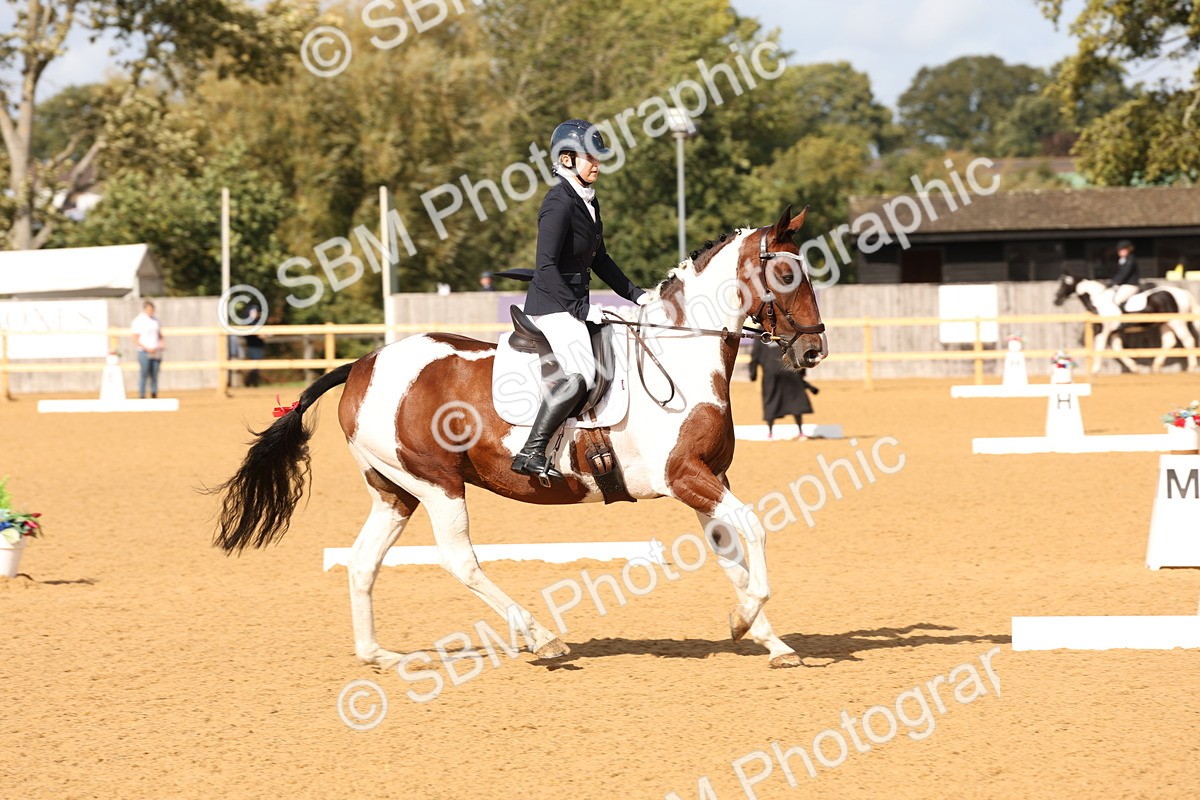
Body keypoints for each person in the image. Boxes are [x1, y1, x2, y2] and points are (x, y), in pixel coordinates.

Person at [511, 119, 650, 482]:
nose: (597, 164)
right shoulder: (558, 202)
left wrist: (637, 294)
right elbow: (546, 266)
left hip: (571, 304)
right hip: (552, 307)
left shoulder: (587, 200)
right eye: (591, 158)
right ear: (568, 159)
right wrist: (580, 309)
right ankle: (532, 451)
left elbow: (600, 258)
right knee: (582, 373)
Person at [748, 337, 819, 440]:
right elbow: (798, 349)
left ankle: (770, 433)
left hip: (771, 371)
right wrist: (802, 372)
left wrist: (752, 373)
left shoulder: (762, 334)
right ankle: (800, 432)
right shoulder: (785, 328)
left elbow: (755, 353)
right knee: (795, 399)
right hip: (790, 368)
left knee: (771, 399)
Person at [130, 300, 164, 398]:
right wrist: (147, 348)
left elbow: (159, 335)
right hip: (143, 351)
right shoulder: (139, 320)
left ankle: (154, 393)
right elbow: (135, 337)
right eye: (148, 309)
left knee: (154, 374)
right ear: (144, 309)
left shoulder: (156, 320)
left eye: (152, 309)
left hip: (155, 350)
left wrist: (160, 345)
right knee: (144, 373)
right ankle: (142, 395)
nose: (150, 311)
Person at [1111, 239, 1140, 308]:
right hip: (1123, 285)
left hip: (1130, 285)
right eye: (1119, 250)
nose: (1120, 252)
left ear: (1128, 250)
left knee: (1116, 300)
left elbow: (1125, 273)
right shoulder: (1121, 260)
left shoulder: (1130, 259)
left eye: (1123, 250)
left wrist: (1115, 281)